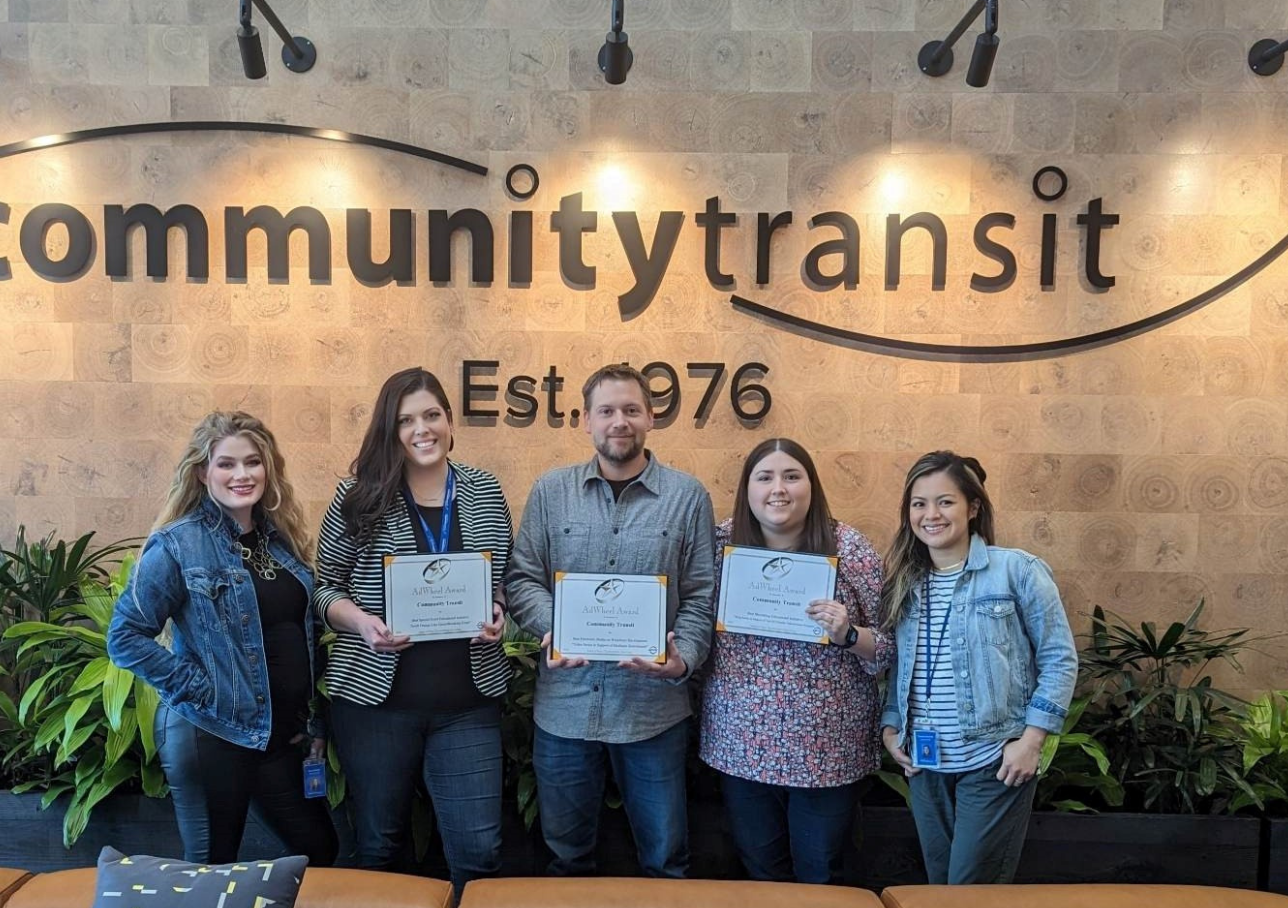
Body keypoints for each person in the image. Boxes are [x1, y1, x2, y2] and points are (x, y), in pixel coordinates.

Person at [504, 363, 715, 878]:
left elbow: (701, 593)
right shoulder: (551, 492)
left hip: (653, 715)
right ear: (586, 421)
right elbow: (521, 579)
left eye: (630, 410)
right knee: (566, 859)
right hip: (566, 713)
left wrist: (682, 656)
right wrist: (558, 627)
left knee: (666, 861)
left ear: (650, 418)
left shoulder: (688, 498)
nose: (618, 421)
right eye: (606, 411)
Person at [107, 411, 338, 865]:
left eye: (252, 462)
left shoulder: (281, 542)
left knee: (319, 850)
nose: (242, 475)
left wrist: (313, 722)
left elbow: (303, 633)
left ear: (268, 468)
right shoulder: (179, 543)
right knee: (212, 866)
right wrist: (202, 689)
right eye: (226, 464)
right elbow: (125, 637)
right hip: (210, 734)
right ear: (202, 471)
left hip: (279, 737)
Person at [313, 368, 510, 893]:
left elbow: (505, 582)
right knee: (380, 846)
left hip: (467, 703)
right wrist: (362, 623)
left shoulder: (484, 490)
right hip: (375, 704)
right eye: (406, 420)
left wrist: (499, 615)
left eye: (431, 415)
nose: (422, 429)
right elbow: (324, 588)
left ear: (448, 420)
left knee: (479, 852)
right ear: (389, 428)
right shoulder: (358, 496)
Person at [699, 438, 895, 884]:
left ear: (812, 485)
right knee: (761, 873)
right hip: (740, 745)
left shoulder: (849, 548)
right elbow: (694, 624)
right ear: (748, 488)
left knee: (821, 876)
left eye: (792, 476)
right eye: (764, 477)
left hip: (828, 750)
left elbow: (889, 647)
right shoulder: (720, 544)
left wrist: (848, 635)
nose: (778, 489)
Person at [877, 450, 1077, 885]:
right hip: (926, 765)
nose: (931, 514)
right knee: (939, 889)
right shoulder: (907, 583)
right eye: (919, 503)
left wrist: (1032, 740)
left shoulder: (1016, 570)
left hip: (992, 760)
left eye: (945, 501)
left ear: (973, 507)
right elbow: (902, 664)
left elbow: (1059, 658)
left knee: (969, 891)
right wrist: (892, 728)